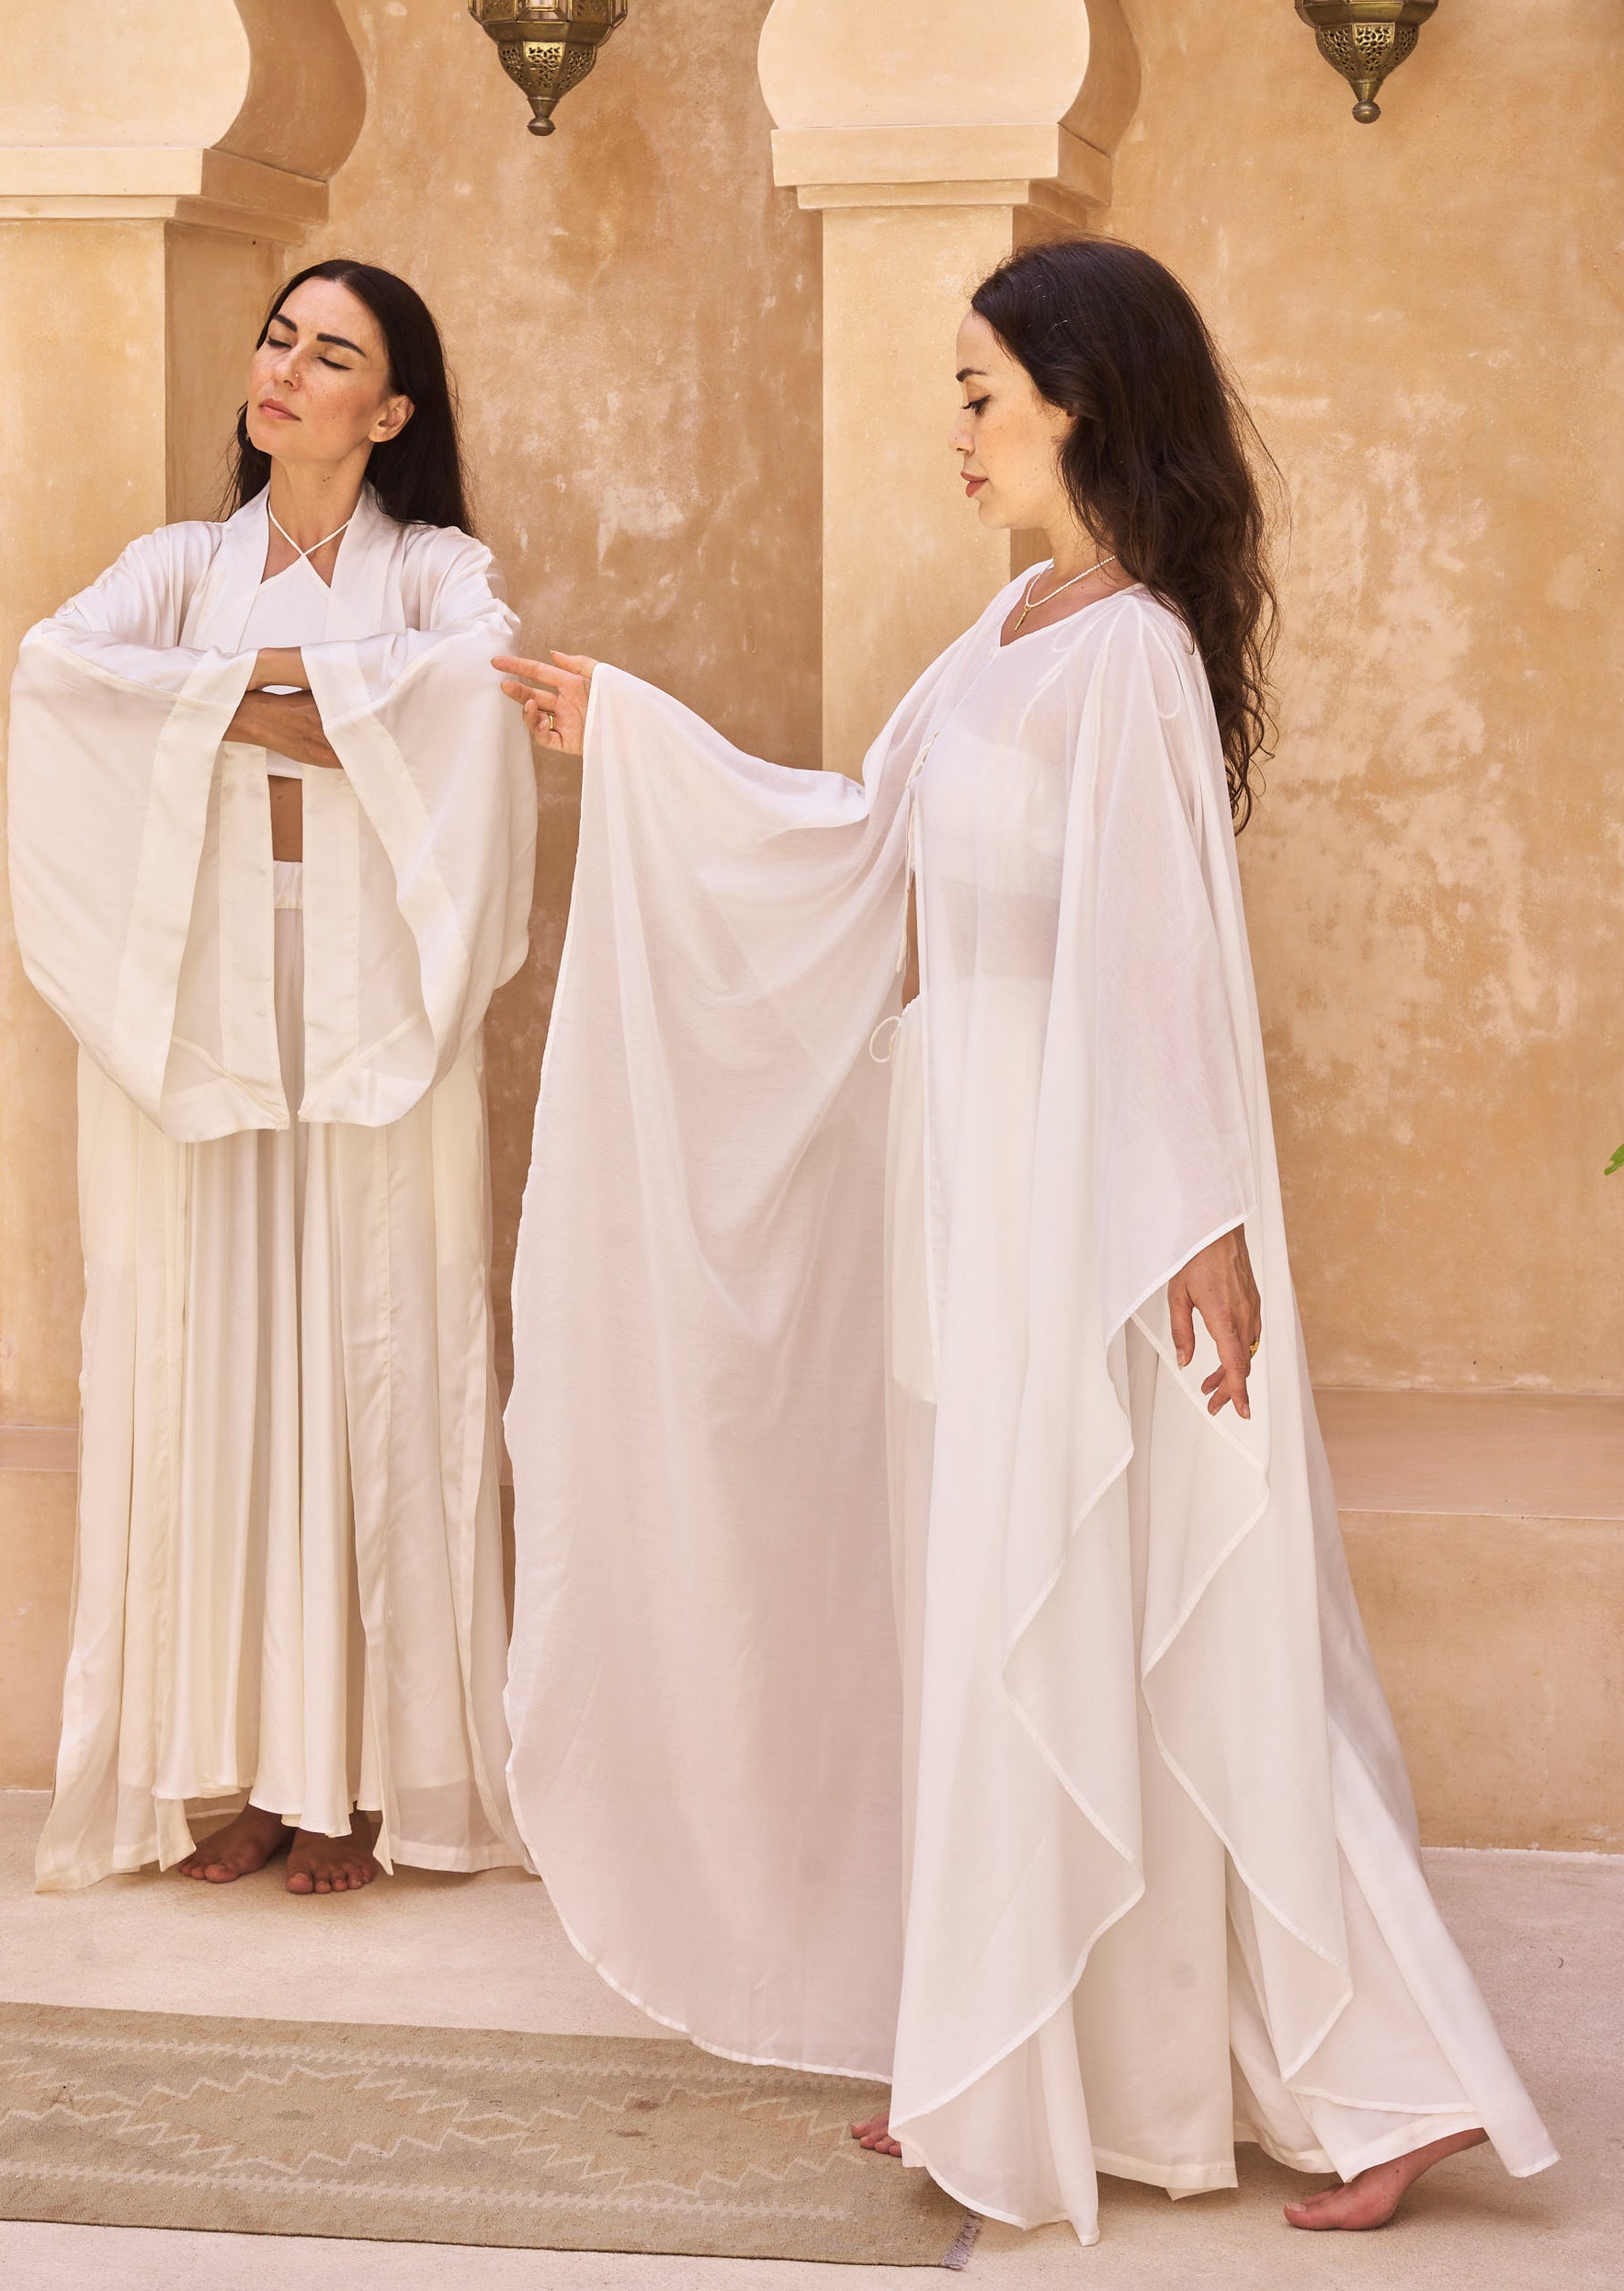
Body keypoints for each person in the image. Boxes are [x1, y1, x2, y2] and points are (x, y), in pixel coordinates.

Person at [494, 237, 1553, 2241]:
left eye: (981, 390)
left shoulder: (1132, 650)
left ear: (1077, 397)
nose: (956, 426)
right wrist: (624, 735)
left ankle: (1385, 2076)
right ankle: (1005, 2045)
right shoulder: (1006, 632)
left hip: (1096, 1197)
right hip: (968, 1185)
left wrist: (1201, 1236)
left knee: (1183, 1613)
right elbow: (850, 835)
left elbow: (1158, 957)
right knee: (996, 1613)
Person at [11, 259, 535, 1897]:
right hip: (196, 1004)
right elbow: (57, 677)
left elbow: (472, 707)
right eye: (274, 339)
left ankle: (365, 1783)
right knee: (210, 1352)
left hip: (378, 998)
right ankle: (236, 1766)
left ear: (390, 410)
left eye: (331, 354)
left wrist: (225, 708)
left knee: (375, 1344)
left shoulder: (441, 570)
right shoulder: (178, 567)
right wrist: (308, 699)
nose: (284, 369)